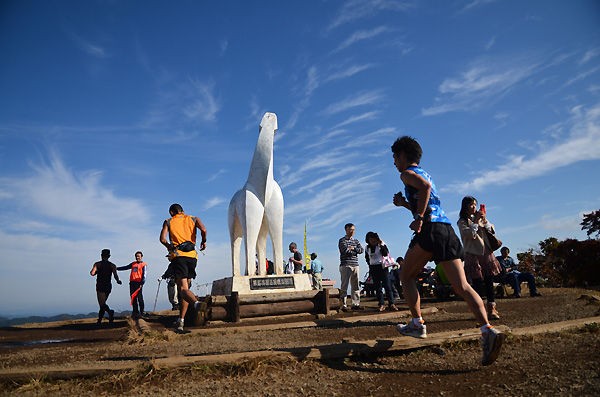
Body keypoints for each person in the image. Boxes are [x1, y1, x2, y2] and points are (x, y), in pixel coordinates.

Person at [391, 136, 504, 366]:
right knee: (462, 286)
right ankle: (488, 330)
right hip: (446, 230)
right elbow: (428, 196)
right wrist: (405, 205)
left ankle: (417, 323)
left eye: (395, 157)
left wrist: (420, 218)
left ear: (403, 156)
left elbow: (425, 189)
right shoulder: (426, 172)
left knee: (405, 275)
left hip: (430, 230)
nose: (394, 162)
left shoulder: (407, 174)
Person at [160, 203, 207, 333]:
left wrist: (170, 247)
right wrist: (203, 241)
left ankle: (197, 304)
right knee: (187, 289)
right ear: (182, 211)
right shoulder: (193, 218)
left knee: (182, 289)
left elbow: (162, 239)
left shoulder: (168, 221)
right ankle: (181, 321)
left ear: (171, 212)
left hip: (179, 256)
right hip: (192, 257)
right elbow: (203, 230)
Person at [458, 196, 503, 320]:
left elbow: (492, 230)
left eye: (475, 205)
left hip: (486, 252)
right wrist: (477, 221)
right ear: (465, 206)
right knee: (477, 283)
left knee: (489, 281)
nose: (474, 207)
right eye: (471, 205)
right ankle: (479, 310)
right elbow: (468, 235)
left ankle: (492, 308)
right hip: (473, 254)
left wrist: (484, 220)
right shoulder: (462, 221)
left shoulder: (479, 218)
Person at [365, 232, 398, 312]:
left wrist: (381, 244)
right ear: (368, 240)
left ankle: (391, 303)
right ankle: (381, 304)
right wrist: (370, 265)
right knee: (378, 287)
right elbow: (367, 258)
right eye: (370, 239)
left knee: (387, 285)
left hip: (382, 267)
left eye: (373, 238)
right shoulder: (367, 248)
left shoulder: (381, 244)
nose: (372, 240)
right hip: (373, 267)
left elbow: (385, 253)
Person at [90, 249, 122, 325]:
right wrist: (118, 281)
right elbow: (115, 276)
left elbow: (92, 273)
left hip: (100, 286)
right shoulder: (112, 265)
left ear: (101, 256)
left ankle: (110, 313)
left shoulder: (97, 264)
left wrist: (97, 272)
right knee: (102, 303)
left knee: (102, 304)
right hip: (108, 286)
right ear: (109, 256)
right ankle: (100, 320)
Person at [338, 223, 364, 311]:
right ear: (346, 230)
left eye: (353, 229)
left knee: (355, 286)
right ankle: (343, 305)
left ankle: (355, 304)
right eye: (350, 229)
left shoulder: (356, 241)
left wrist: (353, 249)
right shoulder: (342, 240)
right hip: (346, 265)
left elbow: (361, 250)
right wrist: (354, 250)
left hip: (355, 265)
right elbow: (345, 251)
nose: (352, 231)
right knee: (344, 286)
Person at [117, 251, 147, 319]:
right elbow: (126, 267)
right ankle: (135, 312)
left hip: (139, 283)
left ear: (141, 257)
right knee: (133, 298)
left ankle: (142, 312)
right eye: (136, 256)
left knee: (140, 298)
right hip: (132, 283)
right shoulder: (133, 264)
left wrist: (142, 283)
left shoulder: (143, 265)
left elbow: (144, 275)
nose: (137, 257)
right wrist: (116, 268)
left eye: (138, 256)